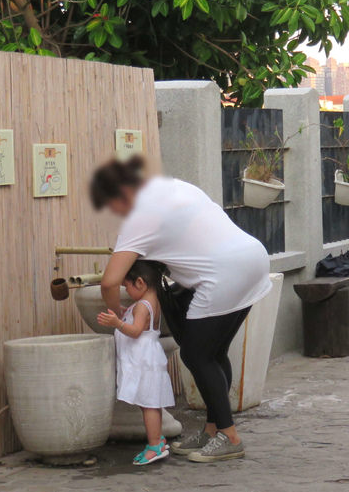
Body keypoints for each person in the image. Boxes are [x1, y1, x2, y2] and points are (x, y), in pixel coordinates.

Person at [90, 156, 272, 463]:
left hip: (221, 276)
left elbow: (109, 282)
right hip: (253, 259)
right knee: (213, 353)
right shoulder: (176, 188)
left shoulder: (138, 219)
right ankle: (213, 430)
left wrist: (119, 313)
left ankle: (229, 436)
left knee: (196, 355)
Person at [97, 260, 175, 466]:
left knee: (148, 404)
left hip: (143, 359)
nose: (126, 290)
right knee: (151, 402)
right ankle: (158, 440)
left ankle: (154, 446)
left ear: (139, 283)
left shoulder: (142, 305)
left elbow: (136, 331)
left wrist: (117, 323)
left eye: (127, 286)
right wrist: (126, 313)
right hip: (147, 358)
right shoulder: (151, 300)